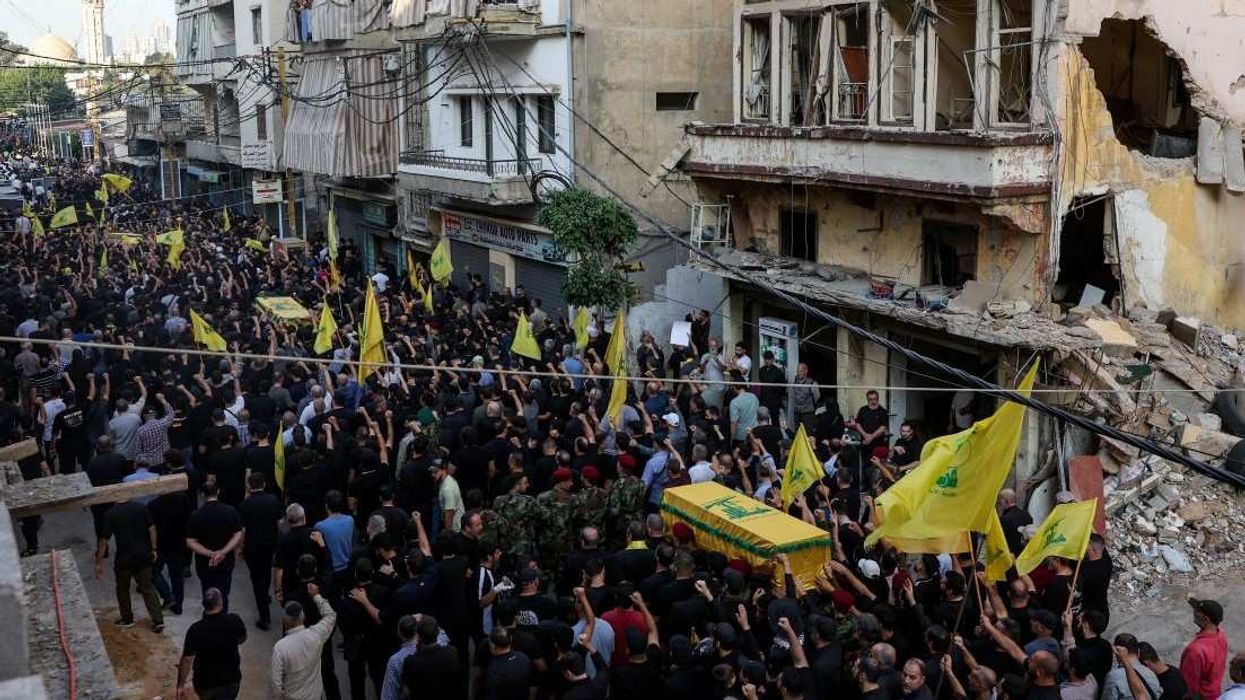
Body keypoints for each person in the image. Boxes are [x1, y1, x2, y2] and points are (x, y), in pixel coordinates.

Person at [95, 496, 165, 632]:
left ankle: (127, 618)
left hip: (124, 558)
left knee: (122, 589)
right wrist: (154, 548)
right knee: (148, 588)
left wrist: (99, 563)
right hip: (144, 555)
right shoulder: (141, 508)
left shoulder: (111, 514)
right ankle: (158, 620)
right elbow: (152, 529)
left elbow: (104, 540)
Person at [176, 588, 247, 700]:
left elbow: (187, 659)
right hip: (231, 682)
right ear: (221, 603)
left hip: (206, 685)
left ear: (203, 604)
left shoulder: (196, 629)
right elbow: (242, 639)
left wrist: (181, 685)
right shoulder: (234, 620)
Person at [271, 583, 338, 700]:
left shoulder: (280, 648)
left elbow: (276, 683)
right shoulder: (316, 634)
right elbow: (331, 615)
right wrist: (316, 596)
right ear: (303, 617)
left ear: (285, 623)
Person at [186, 482, 244, 613]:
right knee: (223, 592)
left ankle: (209, 616)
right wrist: (222, 552)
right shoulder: (230, 511)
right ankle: (223, 617)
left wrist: (210, 553)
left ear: (202, 495)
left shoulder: (196, 516)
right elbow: (237, 534)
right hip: (225, 560)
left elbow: (190, 541)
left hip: (204, 562)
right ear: (218, 492)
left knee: (207, 591)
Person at [239, 471, 284, 630]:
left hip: (253, 546)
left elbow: (243, 531)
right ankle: (265, 594)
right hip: (270, 544)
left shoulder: (246, 504)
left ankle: (264, 616)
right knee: (265, 572)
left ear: (249, 486)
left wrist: (240, 547)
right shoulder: (273, 500)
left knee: (257, 579)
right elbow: (280, 523)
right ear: (264, 484)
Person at [1181, 598, 1229, 700]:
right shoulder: (1221, 634)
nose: (1194, 612)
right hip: (1215, 692)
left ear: (1206, 619)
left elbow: (1188, 684)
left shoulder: (1195, 650)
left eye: (1197, 611)